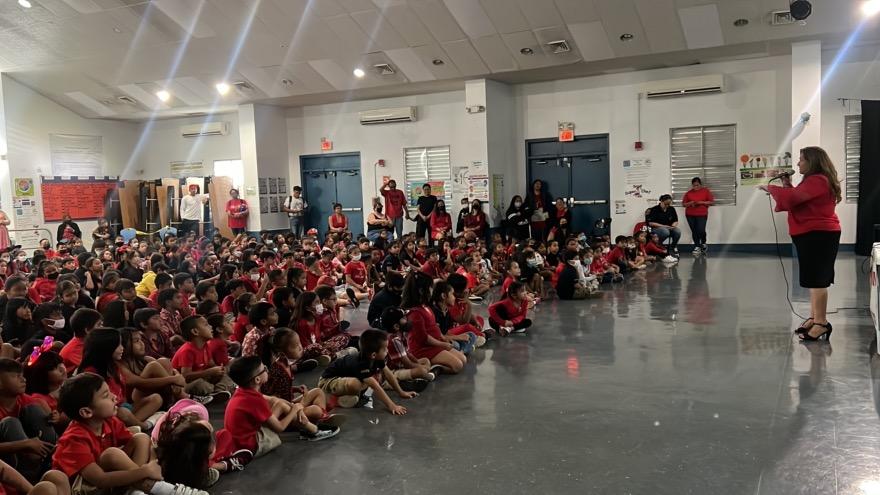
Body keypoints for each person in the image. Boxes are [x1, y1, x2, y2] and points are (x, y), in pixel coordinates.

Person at [53, 373, 206, 495]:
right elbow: (99, 479)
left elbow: (140, 446)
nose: (114, 396)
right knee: (112, 454)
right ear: (86, 412)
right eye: (106, 395)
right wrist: (144, 471)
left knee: (141, 438)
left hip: (114, 480)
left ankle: (138, 488)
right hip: (85, 488)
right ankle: (161, 488)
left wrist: (151, 464)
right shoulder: (74, 439)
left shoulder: (109, 421)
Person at [759, 146, 842, 341]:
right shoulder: (815, 181)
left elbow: (793, 198)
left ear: (812, 161)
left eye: (801, 159)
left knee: (818, 279)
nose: (798, 163)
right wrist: (786, 183)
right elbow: (798, 198)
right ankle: (814, 317)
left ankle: (821, 323)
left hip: (819, 235)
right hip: (813, 234)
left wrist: (770, 188)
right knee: (813, 278)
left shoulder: (818, 180)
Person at [318, 329, 416, 413]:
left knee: (374, 378)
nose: (387, 350)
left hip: (344, 379)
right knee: (356, 383)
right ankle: (332, 398)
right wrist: (392, 406)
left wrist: (401, 392)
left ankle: (344, 398)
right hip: (327, 381)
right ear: (373, 354)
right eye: (385, 349)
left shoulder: (377, 358)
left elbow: (388, 374)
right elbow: (375, 386)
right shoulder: (361, 363)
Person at [681, 177, 714, 254]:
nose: (695, 187)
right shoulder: (688, 193)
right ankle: (697, 246)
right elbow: (684, 204)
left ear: (700, 184)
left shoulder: (706, 191)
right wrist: (690, 203)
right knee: (694, 231)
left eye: (697, 185)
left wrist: (701, 202)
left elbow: (711, 202)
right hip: (690, 215)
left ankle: (703, 242)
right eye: (694, 185)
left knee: (701, 230)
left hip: (702, 214)